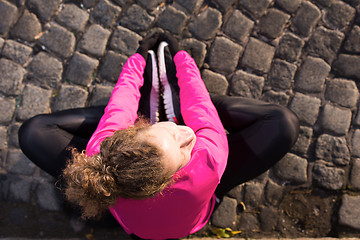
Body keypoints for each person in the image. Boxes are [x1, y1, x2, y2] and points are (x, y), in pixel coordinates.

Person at [18, 32, 299, 240]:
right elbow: (200, 108)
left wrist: (138, 58)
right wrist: (181, 56)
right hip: (198, 206)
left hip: (135, 221)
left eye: (171, 130)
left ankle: (150, 106)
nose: (187, 136)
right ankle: (169, 105)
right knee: (282, 124)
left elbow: (120, 104)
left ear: (133, 130)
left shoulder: (101, 154)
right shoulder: (208, 161)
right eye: (181, 146)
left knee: (32, 134)